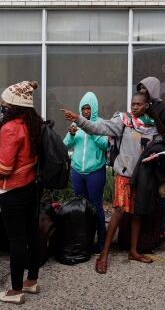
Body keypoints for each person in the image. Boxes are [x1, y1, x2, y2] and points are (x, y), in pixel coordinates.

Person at [63, 93, 165, 275]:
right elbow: (98, 128)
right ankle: (103, 254)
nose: (135, 107)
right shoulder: (123, 121)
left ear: (146, 106)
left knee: (137, 213)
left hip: (144, 176)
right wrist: (79, 120)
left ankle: (133, 251)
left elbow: (161, 145)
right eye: (133, 104)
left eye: (138, 104)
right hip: (125, 175)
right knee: (119, 212)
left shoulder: (152, 127)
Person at [0, 80, 42, 305]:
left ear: (13, 106)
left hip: (13, 191)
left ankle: (15, 291)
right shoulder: (33, 123)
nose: (2, 105)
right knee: (32, 234)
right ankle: (32, 281)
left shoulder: (10, 128)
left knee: (17, 240)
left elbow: (4, 168)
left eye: (5, 103)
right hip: (31, 186)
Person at [63, 92, 109, 253]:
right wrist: (71, 133)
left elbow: (106, 145)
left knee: (96, 206)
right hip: (77, 172)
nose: (86, 111)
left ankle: (102, 242)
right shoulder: (76, 125)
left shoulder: (101, 124)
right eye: (83, 108)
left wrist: (91, 131)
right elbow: (65, 146)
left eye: (89, 108)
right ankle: (84, 240)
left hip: (95, 171)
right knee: (81, 208)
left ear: (94, 109)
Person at [137, 76, 165, 141]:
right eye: (140, 89)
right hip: (141, 147)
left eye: (144, 88)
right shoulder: (139, 106)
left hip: (158, 148)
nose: (141, 91)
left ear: (152, 89)